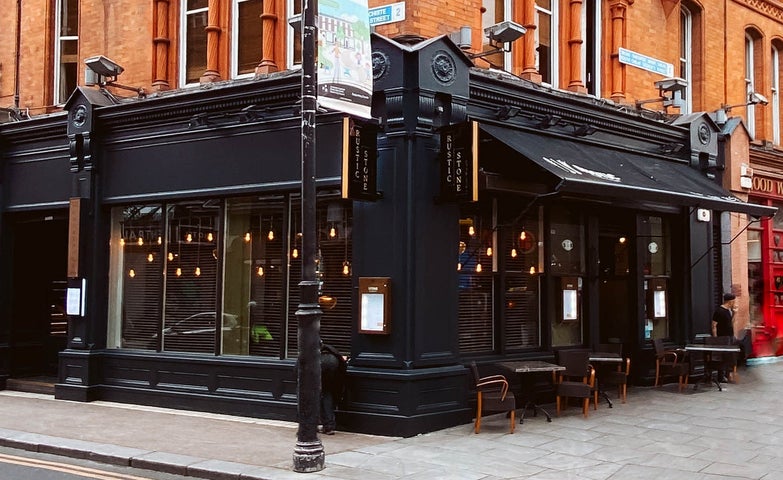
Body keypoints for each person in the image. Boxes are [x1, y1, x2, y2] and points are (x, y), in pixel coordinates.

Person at [320, 342, 347, 435]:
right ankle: (329, 426)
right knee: (327, 394)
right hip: (332, 372)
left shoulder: (309, 351)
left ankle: (311, 425)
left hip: (318, 370)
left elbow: (297, 369)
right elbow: (342, 368)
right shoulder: (332, 352)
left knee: (313, 397)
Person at [711, 293, 737, 382]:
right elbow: (714, 325)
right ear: (730, 301)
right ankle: (721, 376)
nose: (735, 303)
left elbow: (731, 323)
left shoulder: (728, 311)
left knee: (729, 356)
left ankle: (727, 375)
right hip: (722, 337)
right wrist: (716, 339)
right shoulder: (719, 311)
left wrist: (734, 314)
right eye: (734, 301)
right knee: (722, 356)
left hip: (729, 336)